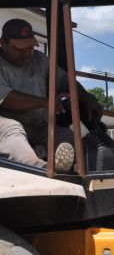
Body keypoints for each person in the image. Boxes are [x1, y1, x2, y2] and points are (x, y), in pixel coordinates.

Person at [0, 18, 102, 173]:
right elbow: (7, 99)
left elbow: (66, 81)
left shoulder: (40, 60)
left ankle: (65, 168)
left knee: (65, 134)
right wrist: (44, 102)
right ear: (3, 42)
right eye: (20, 48)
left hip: (37, 126)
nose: (27, 52)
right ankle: (39, 169)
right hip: (5, 126)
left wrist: (87, 98)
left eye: (30, 47)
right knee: (13, 128)